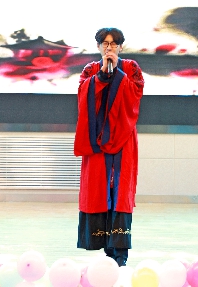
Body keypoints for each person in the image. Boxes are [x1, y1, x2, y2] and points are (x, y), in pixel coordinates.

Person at [74, 27, 145, 267]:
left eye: (114, 43)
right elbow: (83, 96)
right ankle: (104, 249)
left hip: (124, 140)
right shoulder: (90, 70)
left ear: (121, 47)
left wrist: (117, 76)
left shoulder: (131, 68)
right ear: (98, 47)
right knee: (99, 190)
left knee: (120, 193)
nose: (109, 47)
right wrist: (102, 77)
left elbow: (135, 95)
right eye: (104, 43)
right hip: (97, 142)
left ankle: (120, 253)